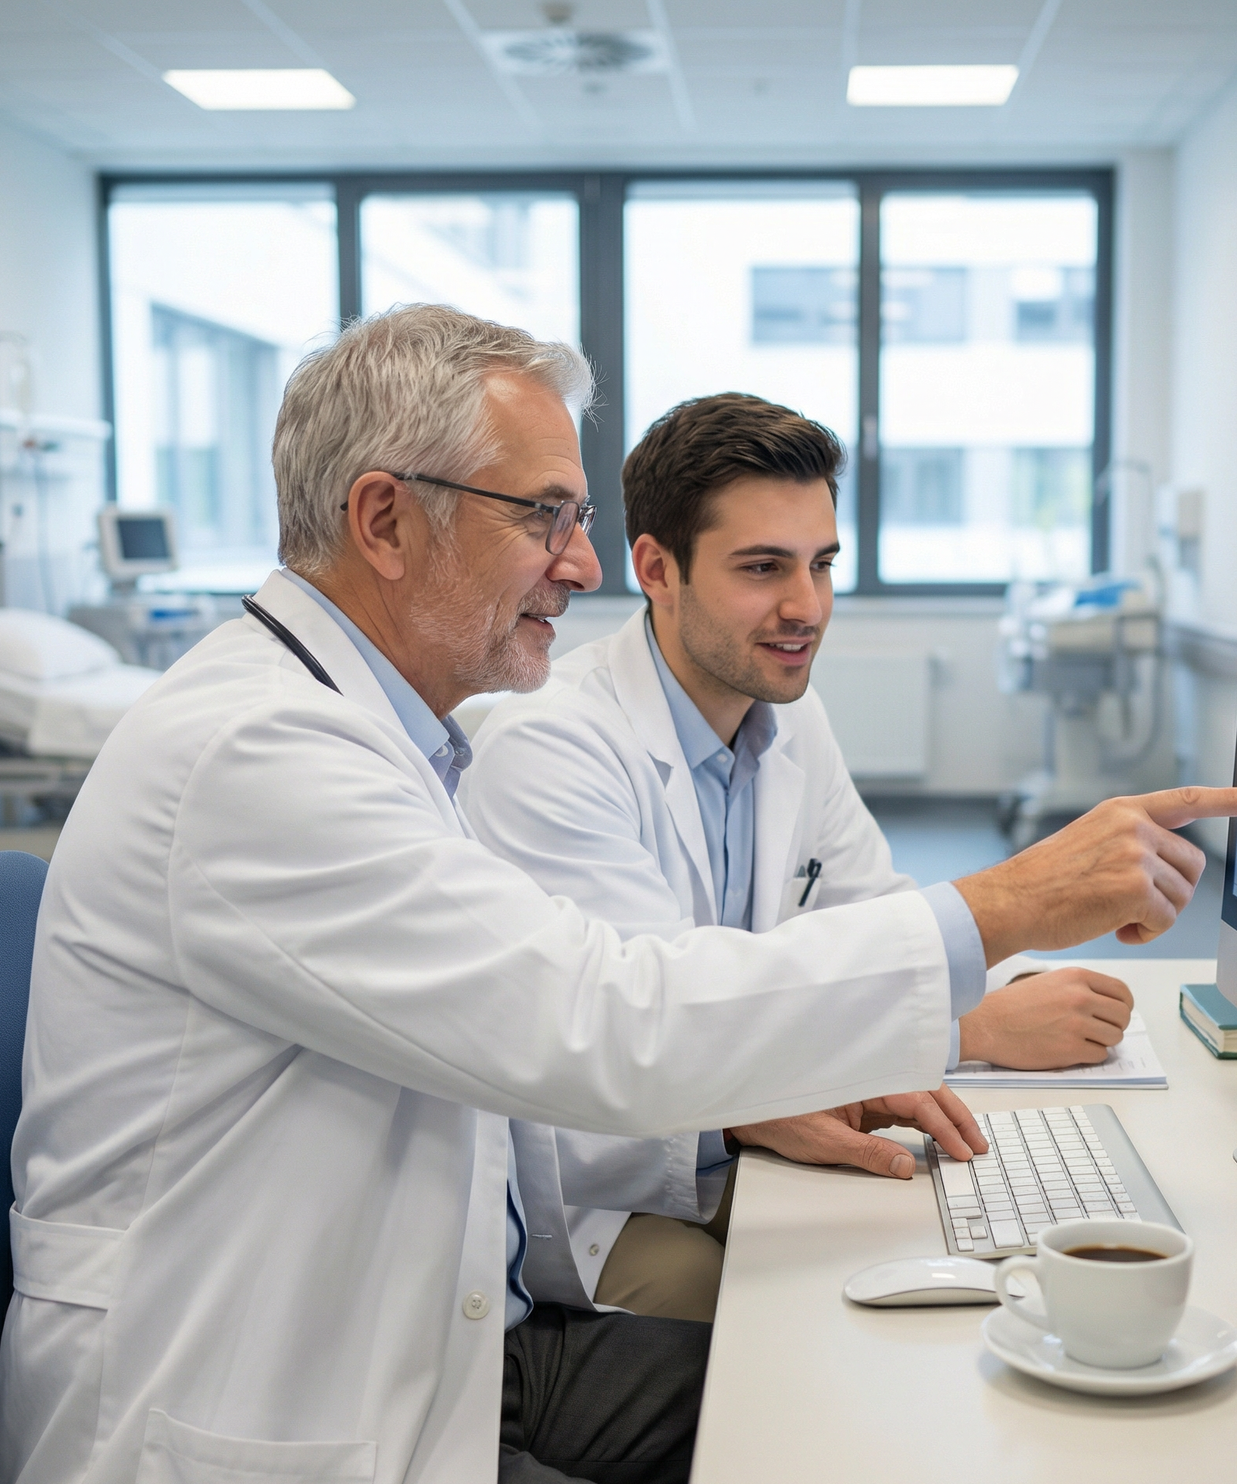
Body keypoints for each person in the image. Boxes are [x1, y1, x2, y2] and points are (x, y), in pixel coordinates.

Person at [1, 305, 1237, 1484]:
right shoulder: (260, 758)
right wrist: (1004, 907)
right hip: (263, 1458)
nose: (582, 563)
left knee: (873, 1414)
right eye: (542, 516)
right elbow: (601, 1023)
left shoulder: (379, 738)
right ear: (384, 521)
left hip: (443, 1351)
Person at [462, 392, 1138, 1321]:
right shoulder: (554, 747)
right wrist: (965, 1032)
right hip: (600, 1195)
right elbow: (650, 1042)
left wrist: (987, 995)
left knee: (928, 1241)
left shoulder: (787, 716)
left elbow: (873, 911)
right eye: (762, 568)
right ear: (657, 568)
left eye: (821, 565)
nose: (806, 607)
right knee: (788, 1321)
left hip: (738, 1145)